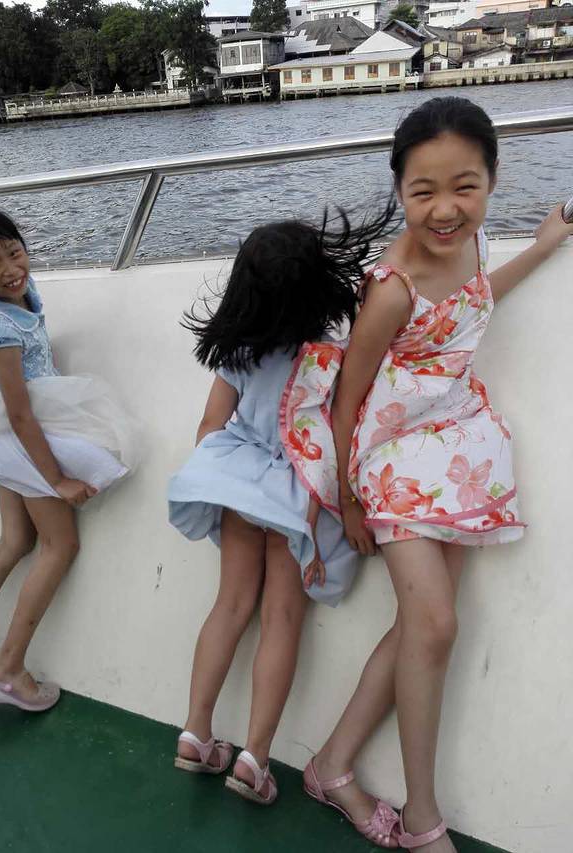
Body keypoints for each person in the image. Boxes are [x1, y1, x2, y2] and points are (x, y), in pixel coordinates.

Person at [301, 97, 573, 851]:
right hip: (388, 455)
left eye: (465, 187)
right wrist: (350, 501)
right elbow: (349, 397)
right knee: (438, 623)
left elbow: (475, 302)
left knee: (421, 625)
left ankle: (330, 765)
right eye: (424, 192)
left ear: (492, 181)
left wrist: (545, 246)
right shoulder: (392, 286)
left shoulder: (473, 243)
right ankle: (423, 814)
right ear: (400, 189)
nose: (446, 210)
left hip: (454, 441)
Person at [168, 206, 395, 805]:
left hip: (242, 483)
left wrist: (226, 479)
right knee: (282, 618)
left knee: (229, 605)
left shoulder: (240, 348)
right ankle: (255, 758)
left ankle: (195, 733)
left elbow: (211, 425)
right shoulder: (331, 354)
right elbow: (337, 435)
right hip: (298, 497)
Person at [0, 207, 139, 712]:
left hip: (14, 439)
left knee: (14, 541)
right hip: (27, 443)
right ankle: (7, 668)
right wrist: (58, 480)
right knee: (59, 545)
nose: (10, 269)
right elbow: (20, 412)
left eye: (14, 252)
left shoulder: (18, 297)